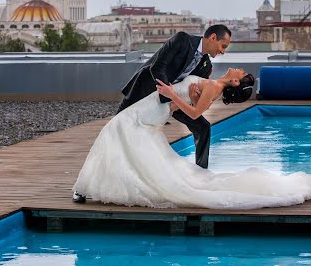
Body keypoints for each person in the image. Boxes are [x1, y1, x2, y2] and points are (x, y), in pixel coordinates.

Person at [72, 70, 311, 210]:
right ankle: (84, 187)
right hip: (156, 106)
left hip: (157, 104)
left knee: (115, 130)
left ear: (235, 82)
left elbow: (196, 114)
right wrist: (176, 102)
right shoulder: (212, 84)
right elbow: (188, 107)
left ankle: (82, 188)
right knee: (118, 133)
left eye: (240, 73)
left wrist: (172, 94)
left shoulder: (214, 87)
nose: (237, 69)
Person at [72, 24, 230, 204]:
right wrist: (167, 100)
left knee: (203, 127)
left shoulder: (205, 65)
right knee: (113, 133)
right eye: (223, 46)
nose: (223, 51)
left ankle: (201, 176)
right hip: (144, 93)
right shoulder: (182, 39)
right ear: (212, 38)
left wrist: (184, 100)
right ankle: (82, 187)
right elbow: (158, 67)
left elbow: (195, 95)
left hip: (172, 101)